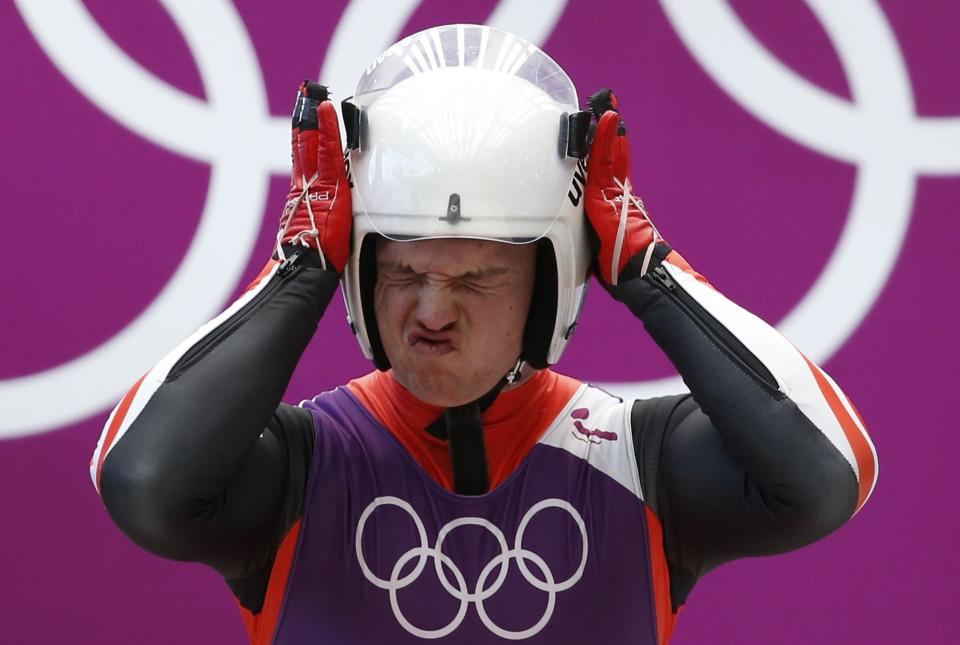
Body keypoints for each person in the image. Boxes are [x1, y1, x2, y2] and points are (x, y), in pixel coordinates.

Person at [90, 25, 877, 645]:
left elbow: (828, 474)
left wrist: (645, 265)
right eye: (401, 272)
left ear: (551, 281)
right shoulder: (299, 466)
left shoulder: (642, 462)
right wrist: (300, 267)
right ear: (357, 272)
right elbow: (142, 479)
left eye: (477, 279)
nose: (432, 311)